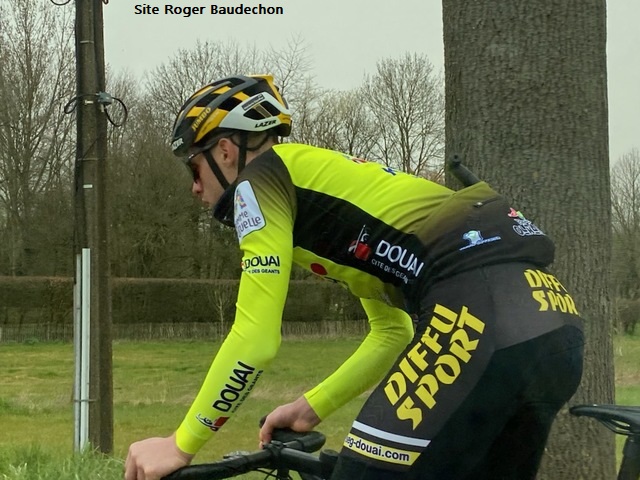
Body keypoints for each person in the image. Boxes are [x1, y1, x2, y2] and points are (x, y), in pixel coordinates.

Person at [124, 74, 585, 480]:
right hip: (553, 320)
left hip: (477, 312)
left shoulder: (259, 182)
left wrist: (180, 444)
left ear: (226, 151)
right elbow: (391, 332)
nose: (195, 187)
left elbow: (255, 339)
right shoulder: (332, 199)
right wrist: (311, 407)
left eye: (194, 166)